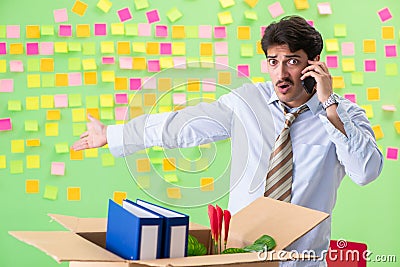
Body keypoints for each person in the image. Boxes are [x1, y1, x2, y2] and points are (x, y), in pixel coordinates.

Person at [72, 15, 383, 266]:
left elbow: (366, 172)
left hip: (301, 260)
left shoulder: (344, 114)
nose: (281, 73)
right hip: (239, 257)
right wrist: (112, 135)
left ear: (315, 62)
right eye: (273, 61)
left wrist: (329, 107)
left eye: (292, 61)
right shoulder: (249, 101)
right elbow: (184, 126)